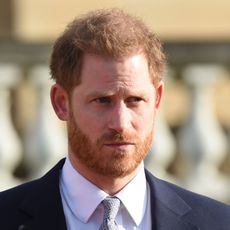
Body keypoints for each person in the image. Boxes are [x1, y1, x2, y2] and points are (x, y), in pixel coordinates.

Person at [0, 8, 230, 230]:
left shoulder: (218, 223)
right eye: (102, 101)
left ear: (157, 100)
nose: (120, 123)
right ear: (61, 102)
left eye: (134, 100)